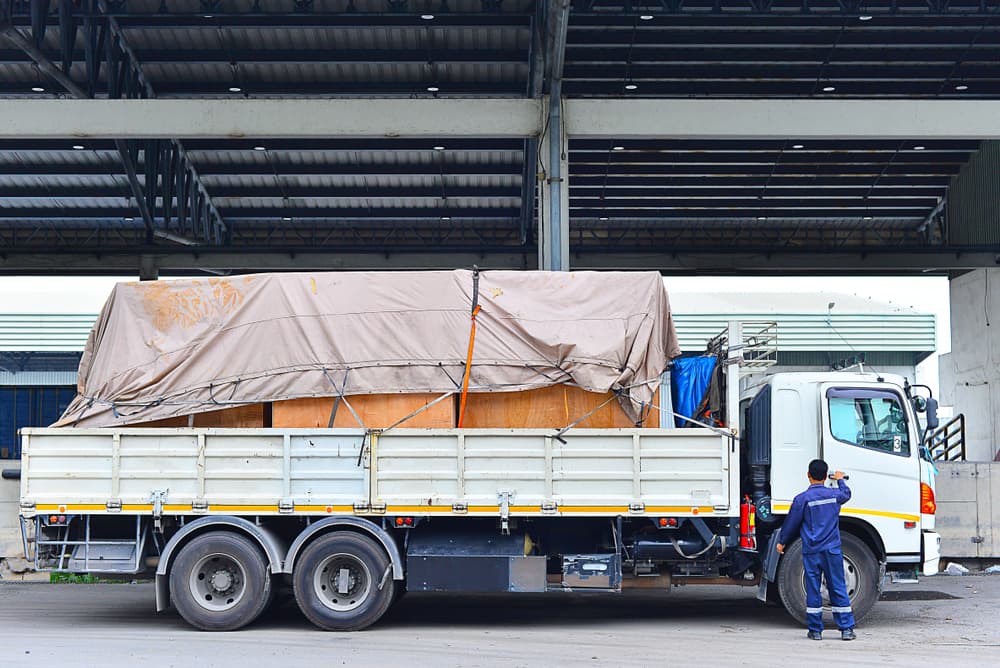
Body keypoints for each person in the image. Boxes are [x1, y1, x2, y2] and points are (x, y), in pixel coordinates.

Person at [776, 459, 856, 641]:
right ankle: (846, 630)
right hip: (832, 550)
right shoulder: (834, 495)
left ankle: (815, 630)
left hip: (812, 551)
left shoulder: (802, 499)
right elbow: (847, 493)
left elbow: (791, 524)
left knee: (813, 588)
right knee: (837, 586)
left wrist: (782, 542)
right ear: (825, 474)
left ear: (808, 475)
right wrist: (840, 479)